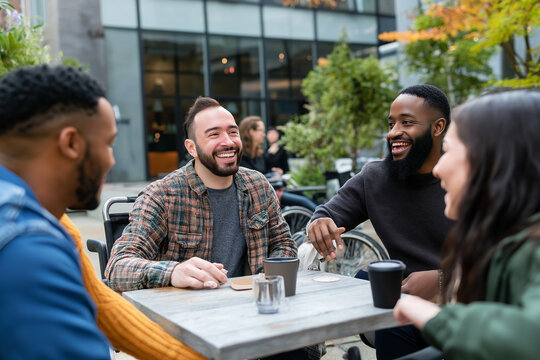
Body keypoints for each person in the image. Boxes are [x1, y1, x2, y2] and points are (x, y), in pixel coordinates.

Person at [0, 65, 204, 360]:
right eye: (108, 144)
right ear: (71, 143)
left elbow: (100, 301)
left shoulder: (42, 219)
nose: (111, 161)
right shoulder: (29, 248)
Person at [307, 84, 455, 359]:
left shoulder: (468, 175)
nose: (393, 132)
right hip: (402, 310)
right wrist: (319, 221)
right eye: (391, 123)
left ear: (438, 127)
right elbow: (328, 212)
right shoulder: (375, 176)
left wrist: (444, 279)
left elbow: (507, 258)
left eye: (406, 123)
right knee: (390, 314)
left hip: (468, 305)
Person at [393, 90, 540, 360]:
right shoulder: (498, 241)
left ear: (494, 162)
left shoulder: (532, 250)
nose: (438, 169)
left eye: (448, 151)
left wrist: (435, 317)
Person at [105, 97, 297, 292]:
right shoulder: (162, 195)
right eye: (214, 134)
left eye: (233, 132)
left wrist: (268, 277)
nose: (228, 141)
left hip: (252, 307)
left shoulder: (259, 186)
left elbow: (283, 243)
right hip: (184, 315)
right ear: (191, 148)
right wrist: (173, 272)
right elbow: (117, 268)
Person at [239, 116, 318, 212]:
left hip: (273, 188)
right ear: (251, 131)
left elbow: (264, 170)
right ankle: (325, 217)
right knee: (304, 201)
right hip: (264, 194)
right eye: (261, 130)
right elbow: (252, 179)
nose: (264, 135)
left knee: (303, 195)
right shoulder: (242, 156)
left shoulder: (258, 153)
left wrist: (273, 171)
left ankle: (324, 214)